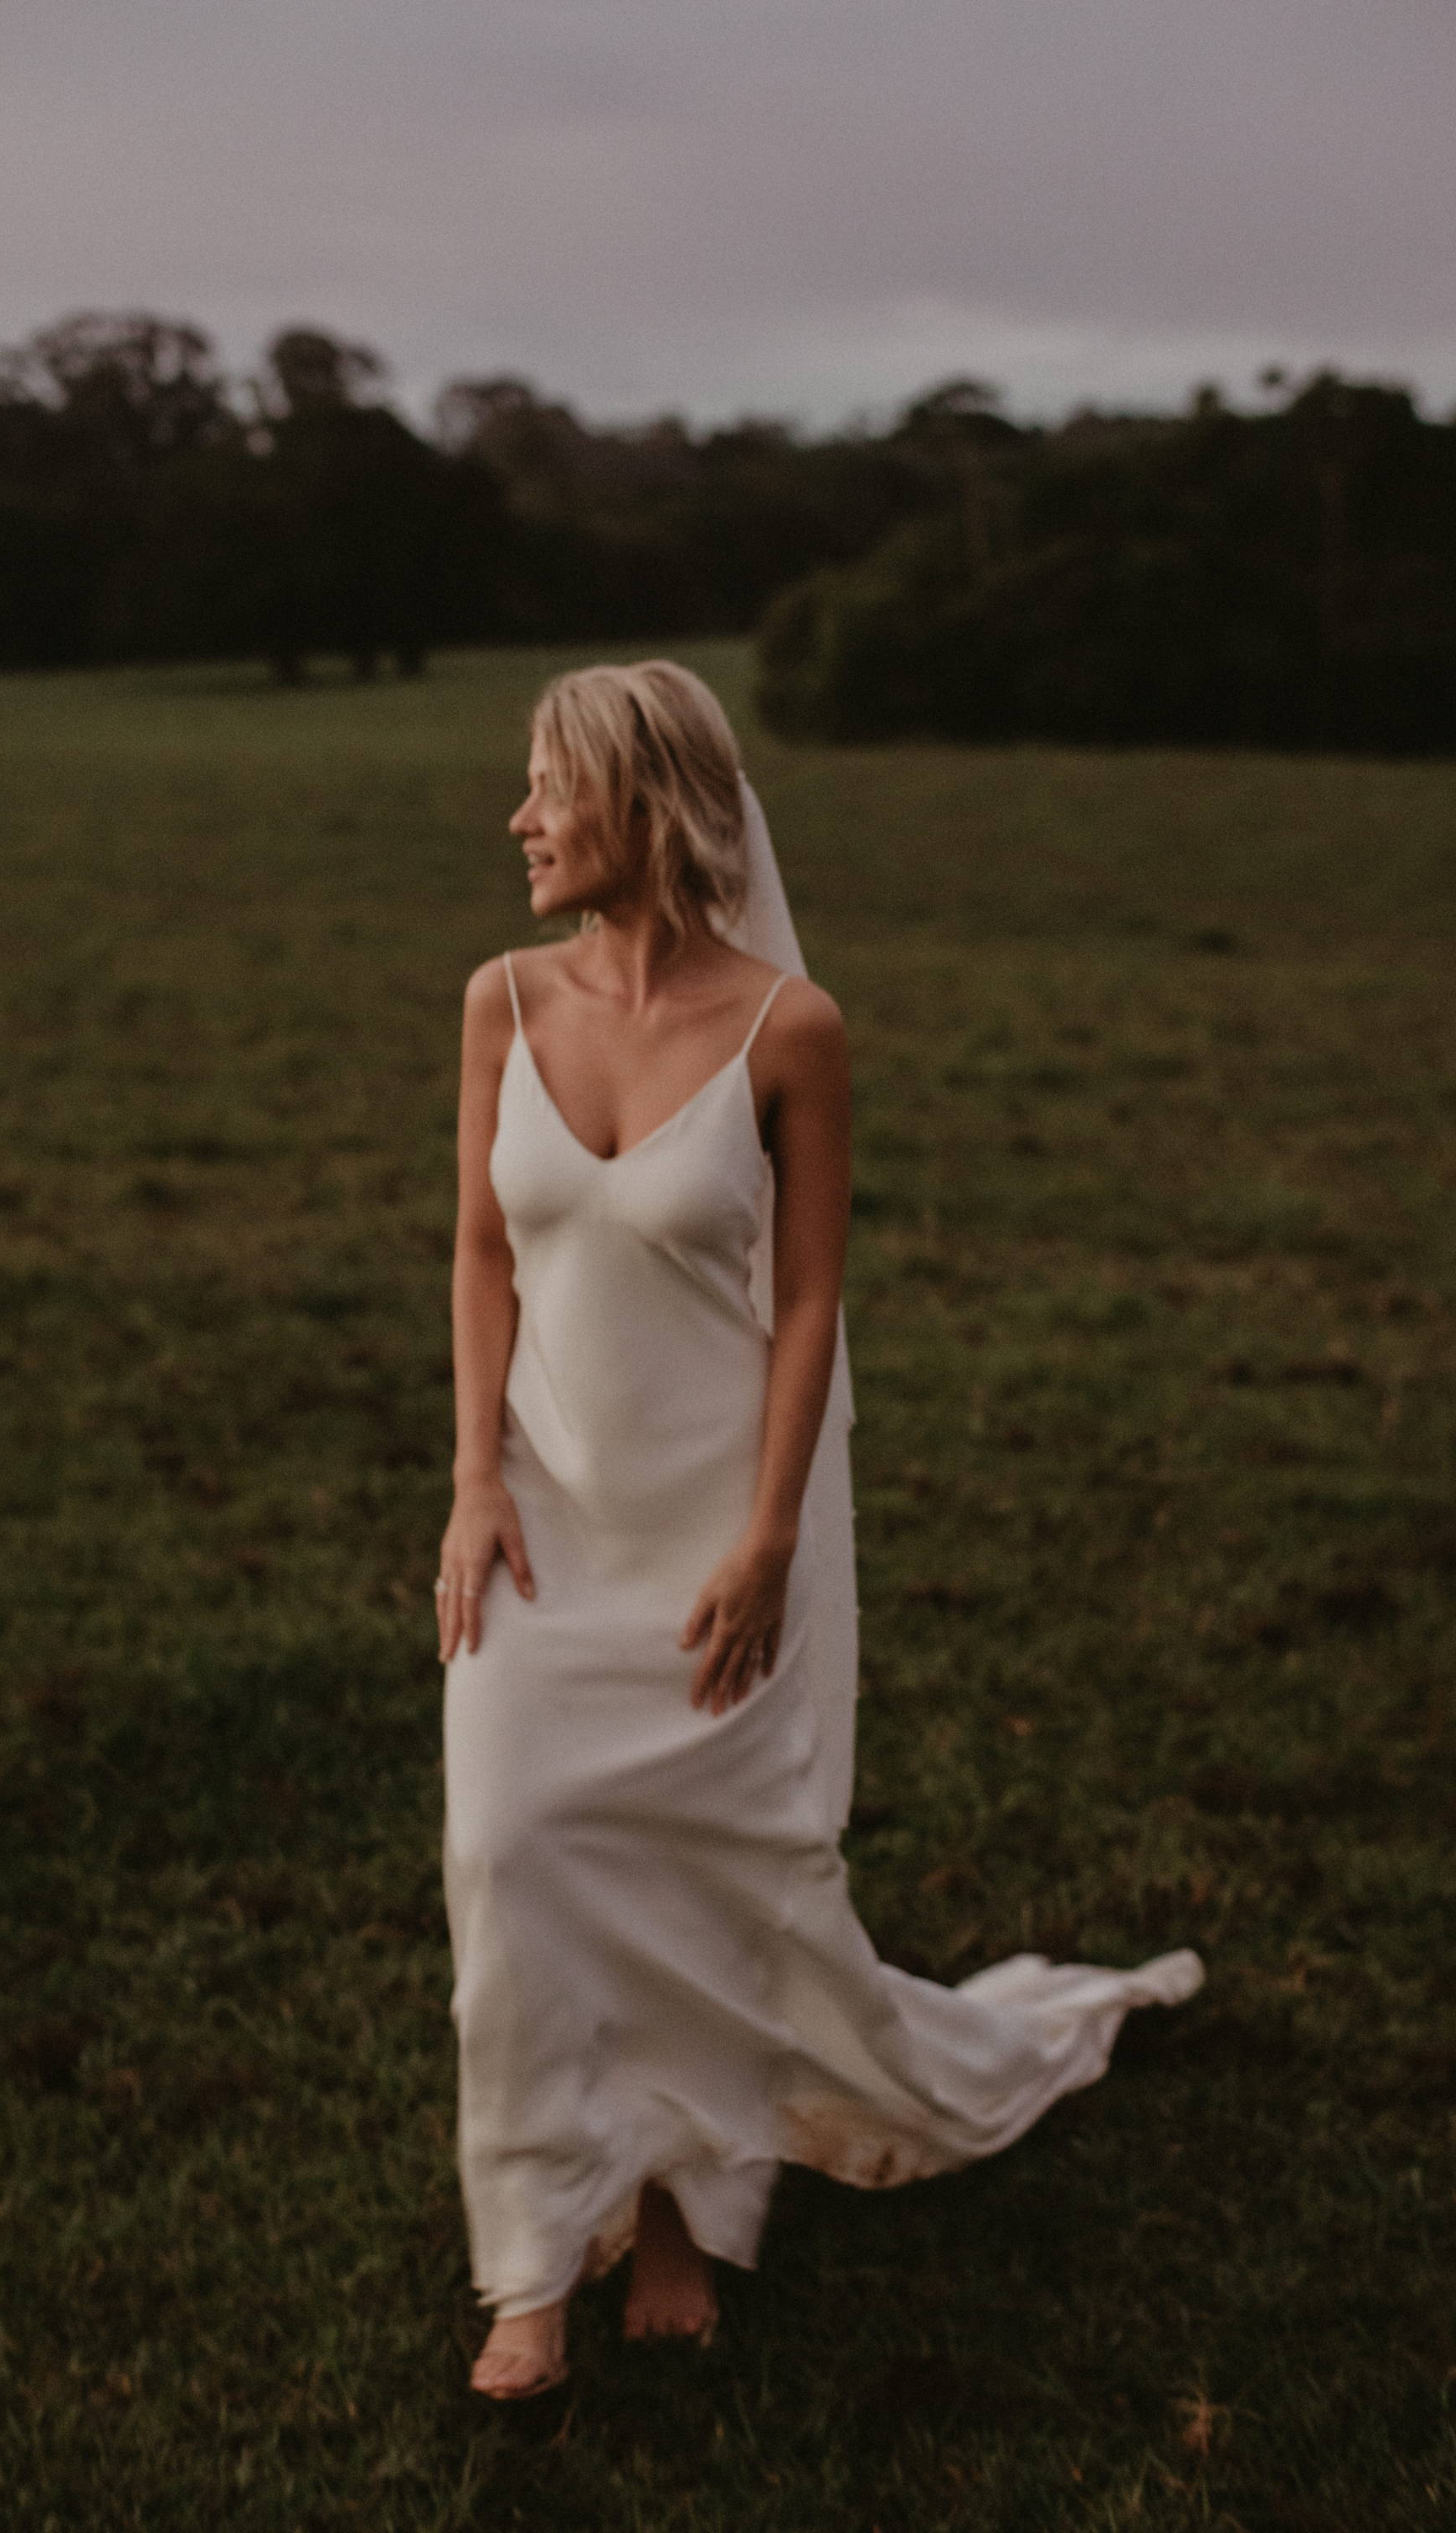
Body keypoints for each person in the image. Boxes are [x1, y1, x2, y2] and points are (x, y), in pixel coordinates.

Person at [436, 660, 1201, 2400]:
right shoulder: (499, 1000)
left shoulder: (794, 1030)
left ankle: (684, 2216)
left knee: (710, 1881)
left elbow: (808, 1309)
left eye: (548, 788)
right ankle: (532, 2261)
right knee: (511, 1853)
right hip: (546, 1518)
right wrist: (475, 1474)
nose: (521, 820)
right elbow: (482, 1250)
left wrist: (771, 1538)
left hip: (724, 1527)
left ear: (641, 806)